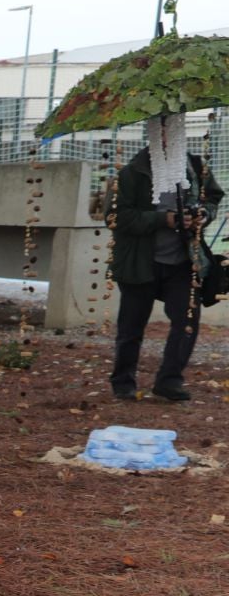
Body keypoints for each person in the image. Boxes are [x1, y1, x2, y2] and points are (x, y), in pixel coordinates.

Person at [109, 142, 223, 401]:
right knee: (131, 326)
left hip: (184, 262)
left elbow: (213, 197)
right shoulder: (132, 173)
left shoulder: (195, 167)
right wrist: (163, 219)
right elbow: (116, 216)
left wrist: (203, 215)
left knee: (187, 322)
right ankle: (123, 381)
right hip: (139, 263)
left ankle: (169, 380)